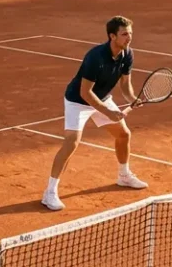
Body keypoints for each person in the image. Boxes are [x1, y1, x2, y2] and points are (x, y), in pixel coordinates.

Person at [43, 15, 148, 210]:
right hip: (78, 101)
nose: (129, 38)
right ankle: (49, 192)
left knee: (123, 134)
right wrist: (108, 113)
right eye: (124, 34)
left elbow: (126, 86)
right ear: (112, 36)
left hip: (102, 98)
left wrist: (131, 98)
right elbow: (85, 93)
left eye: (130, 33)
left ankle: (124, 176)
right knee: (71, 143)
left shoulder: (128, 54)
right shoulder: (95, 57)